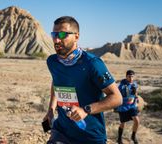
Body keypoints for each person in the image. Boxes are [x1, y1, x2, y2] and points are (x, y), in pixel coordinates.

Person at [43, 16, 122, 144]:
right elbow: (56, 81)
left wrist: (85, 110)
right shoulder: (52, 61)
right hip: (62, 131)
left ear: (76, 36)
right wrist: (51, 109)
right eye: (54, 34)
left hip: (89, 136)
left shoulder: (92, 64)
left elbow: (117, 98)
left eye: (63, 34)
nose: (57, 40)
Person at [116, 70, 139, 144]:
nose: (131, 78)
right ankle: (119, 138)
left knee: (137, 120)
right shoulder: (121, 86)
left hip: (132, 106)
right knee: (123, 123)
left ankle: (133, 136)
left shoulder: (135, 84)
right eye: (129, 76)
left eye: (132, 76)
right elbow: (117, 97)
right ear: (126, 77)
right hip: (123, 107)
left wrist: (136, 97)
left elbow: (136, 94)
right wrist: (126, 99)